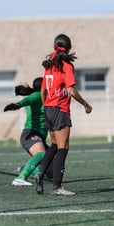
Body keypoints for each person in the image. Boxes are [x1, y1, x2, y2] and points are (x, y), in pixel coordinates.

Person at [34, 33, 92, 196]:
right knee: (63, 147)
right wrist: (85, 104)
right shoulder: (66, 65)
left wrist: (46, 108)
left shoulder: (49, 65)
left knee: (53, 145)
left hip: (49, 109)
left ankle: (39, 175)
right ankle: (57, 187)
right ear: (69, 48)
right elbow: (71, 90)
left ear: (55, 47)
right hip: (60, 110)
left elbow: (43, 90)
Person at [4, 77, 52, 186]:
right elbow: (28, 100)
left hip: (39, 137)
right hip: (31, 134)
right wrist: (17, 105)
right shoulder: (38, 95)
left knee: (52, 173)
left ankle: (26, 170)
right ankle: (20, 178)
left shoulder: (43, 96)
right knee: (42, 154)